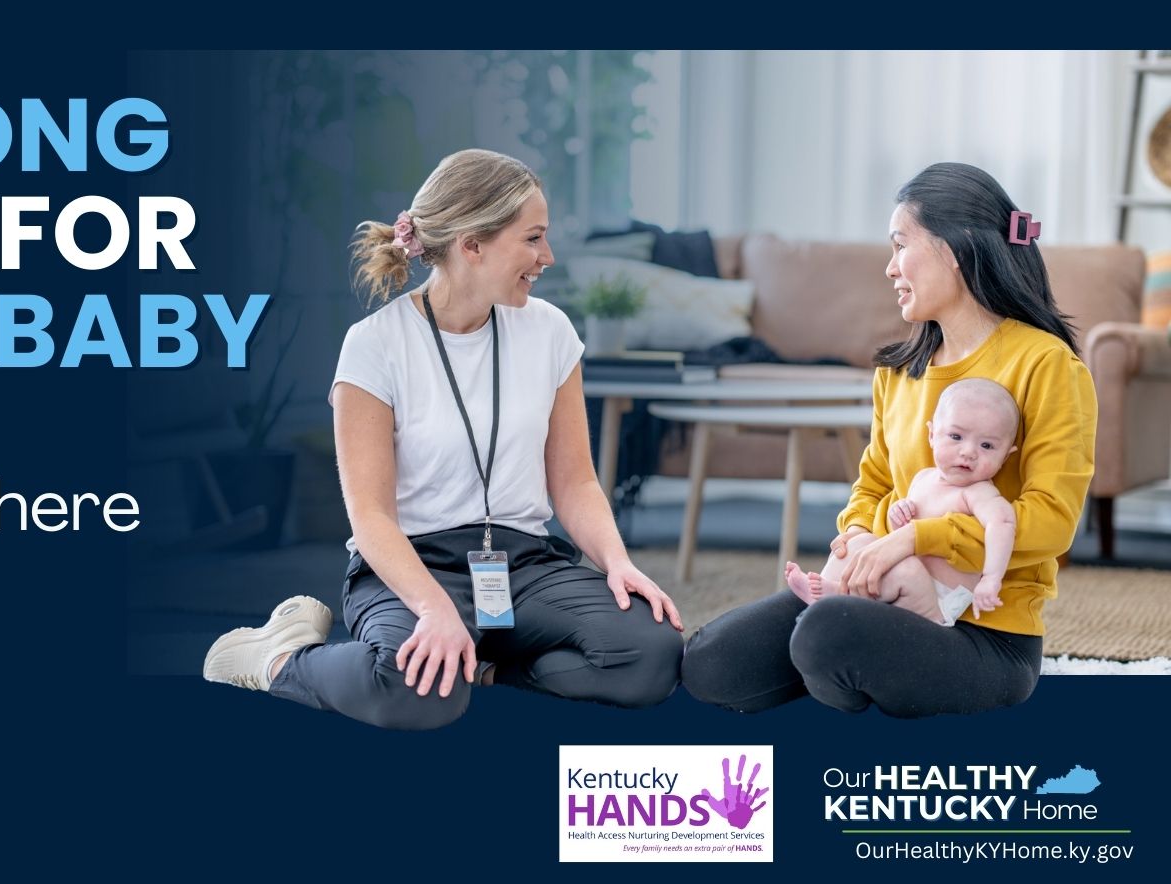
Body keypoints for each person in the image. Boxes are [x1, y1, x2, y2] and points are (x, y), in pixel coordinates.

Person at [203, 149, 684, 729]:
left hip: (523, 565)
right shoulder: (374, 345)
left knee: (651, 654)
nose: (547, 257)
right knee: (412, 692)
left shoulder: (551, 332)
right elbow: (370, 515)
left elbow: (574, 479)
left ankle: (482, 669)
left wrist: (617, 561)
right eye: (532, 239)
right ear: (472, 244)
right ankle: (279, 658)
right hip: (410, 565)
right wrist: (432, 607)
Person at [681, 162, 1096, 718]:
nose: (890, 267)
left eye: (901, 246)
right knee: (710, 662)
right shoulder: (899, 372)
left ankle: (847, 667)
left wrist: (917, 538)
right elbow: (872, 484)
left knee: (825, 634)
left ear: (954, 250)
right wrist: (859, 539)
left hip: (987, 637)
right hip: (876, 594)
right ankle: (851, 666)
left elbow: (1052, 522)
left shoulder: (1047, 365)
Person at [784, 377, 1018, 625]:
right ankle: (824, 594)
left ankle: (837, 596)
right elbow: (901, 536)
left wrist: (992, 578)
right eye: (956, 437)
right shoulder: (923, 479)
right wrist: (899, 513)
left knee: (906, 570)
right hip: (905, 579)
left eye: (986, 445)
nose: (969, 451)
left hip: (938, 598)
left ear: (1005, 456)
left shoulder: (978, 493)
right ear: (931, 435)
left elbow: (1002, 524)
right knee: (861, 541)